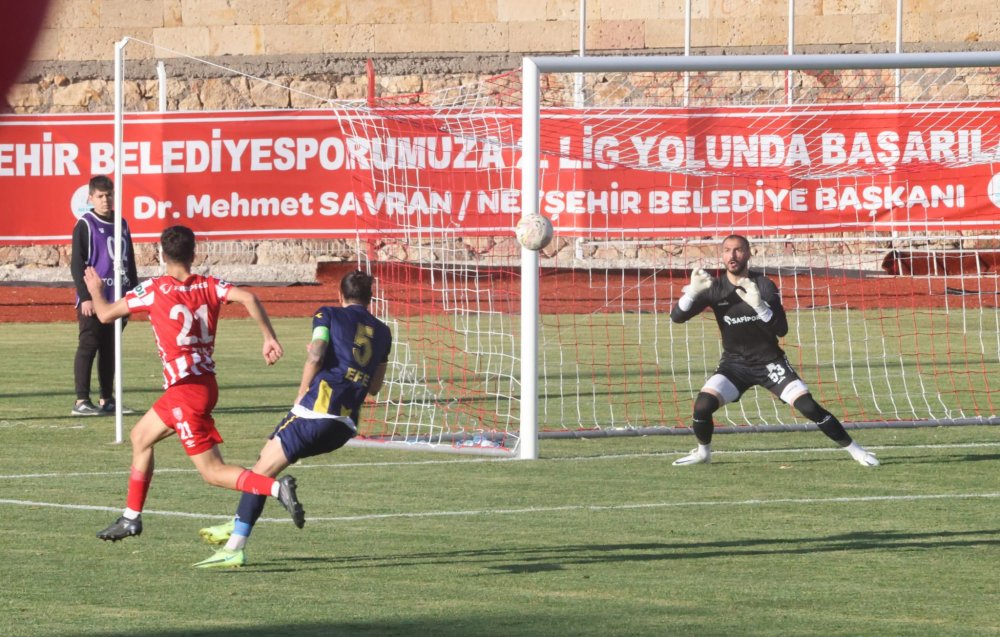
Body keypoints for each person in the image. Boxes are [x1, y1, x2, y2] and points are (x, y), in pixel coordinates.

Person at [85, 224, 306, 542]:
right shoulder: (209, 285)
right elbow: (248, 297)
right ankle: (131, 517)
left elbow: (105, 314)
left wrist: (94, 290)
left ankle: (275, 488)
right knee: (140, 437)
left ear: (161, 255)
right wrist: (268, 337)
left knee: (212, 472)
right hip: (202, 384)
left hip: (185, 392)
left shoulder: (154, 289)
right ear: (194, 253)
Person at [193, 269, 393, 568]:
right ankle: (237, 522)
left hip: (315, 412)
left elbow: (316, 354)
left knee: (260, 474)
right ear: (370, 298)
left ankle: (234, 547)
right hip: (345, 425)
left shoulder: (327, 314)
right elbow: (375, 387)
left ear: (340, 295)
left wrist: (302, 391)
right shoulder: (384, 332)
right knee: (265, 461)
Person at [669, 234, 879, 467]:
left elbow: (782, 329)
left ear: (749, 253)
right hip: (734, 365)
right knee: (702, 406)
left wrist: (759, 305)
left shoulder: (763, 285)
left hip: (770, 363)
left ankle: (857, 451)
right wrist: (692, 293)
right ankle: (703, 453)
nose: (732, 255)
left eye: (738, 250)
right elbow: (676, 317)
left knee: (808, 407)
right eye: (727, 250)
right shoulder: (715, 287)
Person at [71, 175, 138, 416]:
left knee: (111, 349)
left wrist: (132, 296)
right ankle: (81, 401)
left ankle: (107, 399)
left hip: (117, 297)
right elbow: (77, 264)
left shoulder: (122, 223)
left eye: (109, 195)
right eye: (100, 196)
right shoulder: (85, 224)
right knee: (89, 345)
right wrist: (85, 296)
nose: (105, 200)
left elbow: (130, 261)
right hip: (94, 297)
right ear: (91, 198)